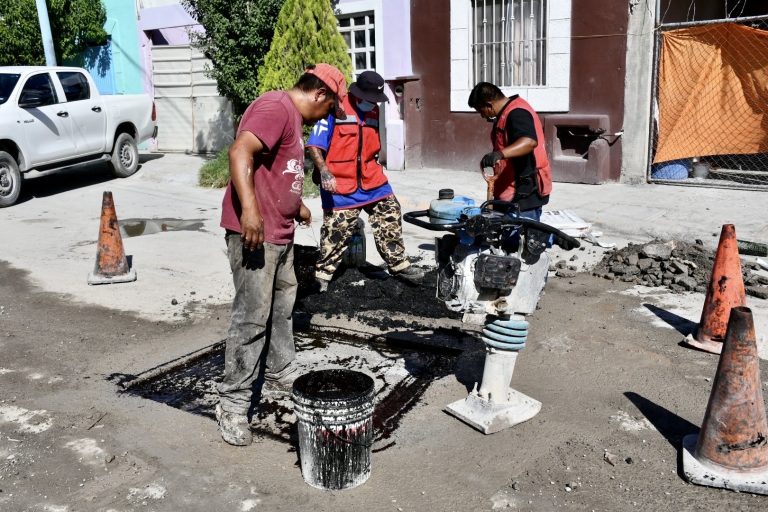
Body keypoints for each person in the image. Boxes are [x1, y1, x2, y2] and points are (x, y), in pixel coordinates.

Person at [216, 63, 348, 446]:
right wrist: (251, 211)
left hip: (280, 231)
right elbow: (240, 151)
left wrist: (296, 207)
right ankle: (233, 403)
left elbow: (276, 171)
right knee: (252, 317)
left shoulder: (291, 117)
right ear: (320, 95)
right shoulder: (275, 107)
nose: (327, 116)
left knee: (282, 304)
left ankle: (279, 367)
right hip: (256, 235)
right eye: (329, 109)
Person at [306, 70, 423, 292]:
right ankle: (322, 275)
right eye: (370, 100)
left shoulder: (373, 112)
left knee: (390, 210)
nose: (373, 104)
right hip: (340, 183)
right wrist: (323, 171)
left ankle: (398, 263)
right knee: (336, 230)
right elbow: (314, 144)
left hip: (371, 179)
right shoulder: (335, 108)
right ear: (357, 94)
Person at [467, 82, 552, 222]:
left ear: (489, 105)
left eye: (480, 111)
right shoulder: (505, 113)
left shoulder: (517, 113)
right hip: (510, 192)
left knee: (520, 237)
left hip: (525, 193)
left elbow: (529, 142)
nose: (482, 116)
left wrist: (499, 154)